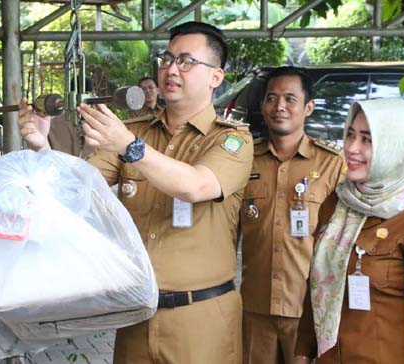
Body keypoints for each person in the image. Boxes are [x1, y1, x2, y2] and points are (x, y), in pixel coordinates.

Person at [19, 21, 253, 364]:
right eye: (167, 59)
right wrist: (42, 145)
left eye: (186, 62)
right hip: (137, 316)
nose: (171, 69)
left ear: (215, 77)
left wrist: (131, 147)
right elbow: (75, 187)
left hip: (202, 318)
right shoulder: (133, 132)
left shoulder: (232, 139)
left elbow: (196, 185)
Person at [294, 98, 404, 363]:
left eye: (367, 140)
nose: (352, 148)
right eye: (350, 135)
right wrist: (303, 350)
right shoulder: (338, 203)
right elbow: (319, 284)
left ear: (399, 148)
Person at [239, 67, 346, 364]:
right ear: (262, 106)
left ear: (308, 107)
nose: (279, 107)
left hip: (307, 310)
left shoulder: (332, 164)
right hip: (254, 307)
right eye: (271, 98)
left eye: (290, 98)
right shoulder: (244, 160)